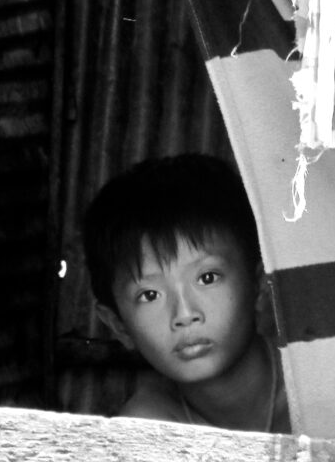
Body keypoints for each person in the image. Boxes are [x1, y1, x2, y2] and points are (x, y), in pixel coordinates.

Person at [82, 154, 290, 433]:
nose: (184, 314)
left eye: (207, 278)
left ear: (260, 284)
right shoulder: (148, 432)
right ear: (118, 325)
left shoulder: (321, 388)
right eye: (150, 295)